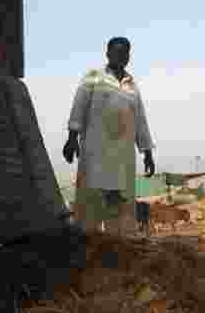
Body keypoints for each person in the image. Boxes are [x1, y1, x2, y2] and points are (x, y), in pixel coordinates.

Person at [63, 36, 156, 236]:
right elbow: (79, 106)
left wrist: (147, 151)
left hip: (123, 157)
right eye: (116, 51)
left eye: (124, 52)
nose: (120, 55)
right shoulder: (93, 76)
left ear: (128, 56)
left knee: (121, 210)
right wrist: (72, 137)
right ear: (107, 54)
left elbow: (140, 119)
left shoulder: (132, 85)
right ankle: (86, 248)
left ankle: (119, 250)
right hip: (95, 153)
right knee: (90, 207)